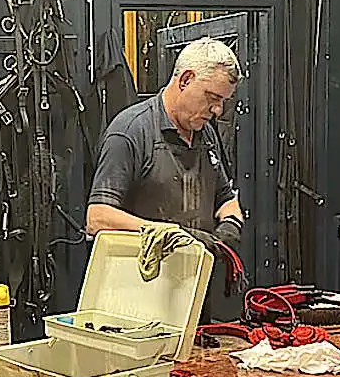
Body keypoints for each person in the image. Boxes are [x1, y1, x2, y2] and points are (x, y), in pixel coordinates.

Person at [86, 36, 244, 249]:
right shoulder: (130, 131)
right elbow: (98, 218)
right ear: (185, 80)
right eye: (212, 98)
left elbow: (226, 198)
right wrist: (172, 235)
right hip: (148, 277)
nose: (218, 110)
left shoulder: (205, 133)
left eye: (223, 101)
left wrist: (231, 224)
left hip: (199, 274)